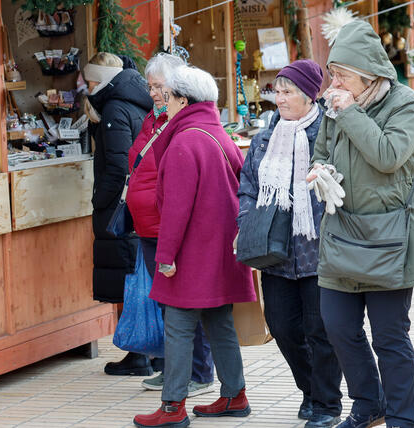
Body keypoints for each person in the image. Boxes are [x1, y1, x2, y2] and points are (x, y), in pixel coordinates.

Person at [309, 20, 414, 428]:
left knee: (390, 337)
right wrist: (319, 173)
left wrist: (348, 112)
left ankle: (401, 419)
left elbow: (387, 154)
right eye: (333, 73)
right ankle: (368, 403)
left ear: (366, 71)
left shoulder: (405, 103)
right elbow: (321, 150)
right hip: (342, 232)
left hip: (391, 237)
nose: (335, 81)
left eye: (342, 73)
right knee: (338, 327)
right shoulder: (335, 102)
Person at [133, 65, 256, 428]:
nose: (161, 101)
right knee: (219, 322)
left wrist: (166, 256)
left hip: (192, 253)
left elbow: (176, 208)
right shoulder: (218, 134)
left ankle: (172, 407)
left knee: (178, 325)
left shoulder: (185, 141)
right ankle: (234, 395)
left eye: (166, 95)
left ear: (183, 100)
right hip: (222, 251)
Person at [237, 60, 343, 428]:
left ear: (308, 94)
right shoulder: (266, 138)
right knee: (281, 325)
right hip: (276, 249)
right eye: (276, 91)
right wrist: (246, 221)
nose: (278, 98)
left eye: (287, 91)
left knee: (321, 330)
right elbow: (248, 186)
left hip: (319, 249)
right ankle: (310, 390)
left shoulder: (328, 134)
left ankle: (327, 403)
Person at [126, 53, 215, 396]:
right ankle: (174, 368)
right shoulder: (153, 118)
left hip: (169, 227)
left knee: (187, 305)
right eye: (150, 87)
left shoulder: (180, 121)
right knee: (166, 304)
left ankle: (199, 373)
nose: (154, 93)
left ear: (179, 87)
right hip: (148, 226)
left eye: (159, 86)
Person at [83, 52, 153, 375]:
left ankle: (138, 353)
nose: (87, 86)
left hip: (120, 208)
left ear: (101, 79)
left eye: (90, 80)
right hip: (141, 203)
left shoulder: (113, 107)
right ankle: (152, 352)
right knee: (140, 277)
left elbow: (118, 166)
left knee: (127, 279)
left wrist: (100, 201)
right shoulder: (137, 98)